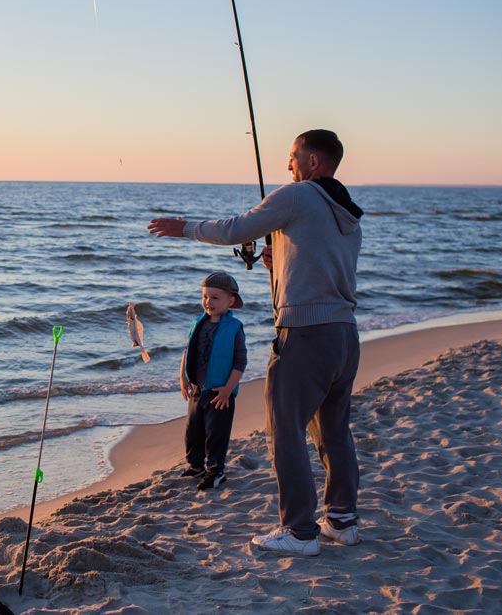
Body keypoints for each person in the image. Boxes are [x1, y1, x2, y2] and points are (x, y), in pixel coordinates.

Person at [148, 129, 364, 556]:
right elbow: (318, 267)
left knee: (285, 431)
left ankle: (300, 531)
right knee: (334, 431)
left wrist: (183, 227)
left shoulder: (301, 195)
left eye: (294, 157)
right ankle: (342, 520)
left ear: (314, 162)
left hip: (305, 335)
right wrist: (277, 260)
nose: (288, 165)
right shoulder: (347, 212)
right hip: (344, 335)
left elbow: (236, 228)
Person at [179, 272, 247, 491]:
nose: (209, 302)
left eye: (215, 297)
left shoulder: (234, 328)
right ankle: (196, 466)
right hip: (198, 390)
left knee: (215, 435)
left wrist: (228, 388)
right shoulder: (197, 323)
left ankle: (216, 471)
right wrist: (183, 378)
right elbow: (187, 351)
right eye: (206, 297)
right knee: (193, 432)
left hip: (221, 393)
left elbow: (240, 361)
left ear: (231, 300)